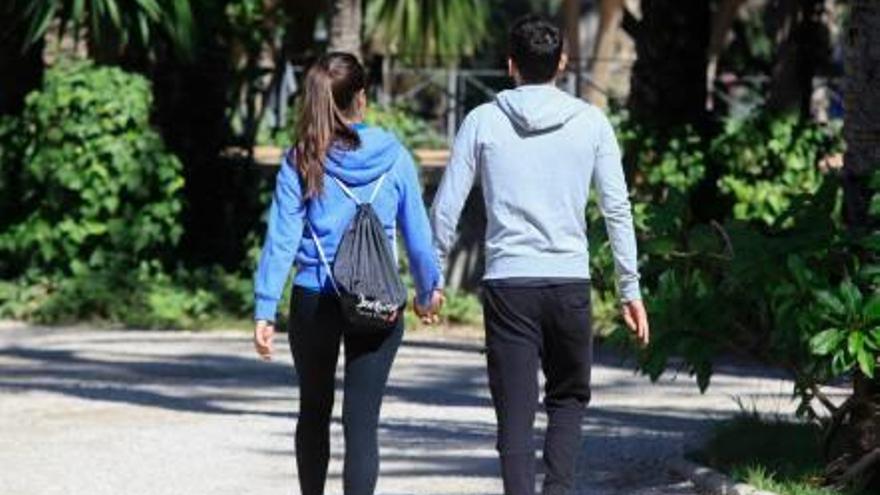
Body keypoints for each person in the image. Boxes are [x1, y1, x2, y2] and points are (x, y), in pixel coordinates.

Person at [429, 15, 650, 495]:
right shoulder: (592, 122)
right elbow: (617, 208)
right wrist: (629, 288)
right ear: (563, 64)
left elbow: (447, 204)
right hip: (569, 283)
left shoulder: (482, 121)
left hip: (508, 284)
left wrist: (432, 278)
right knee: (568, 399)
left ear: (510, 65)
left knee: (514, 410)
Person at [252, 52, 444, 495]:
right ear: (362, 97)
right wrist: (427, 289)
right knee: (361, 425)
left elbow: (281, 239)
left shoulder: (301, 157)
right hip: (376, 299)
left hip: (313, 298)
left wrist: (265, 308)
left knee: (313, 412)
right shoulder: (394, 156)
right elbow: (418, 235)